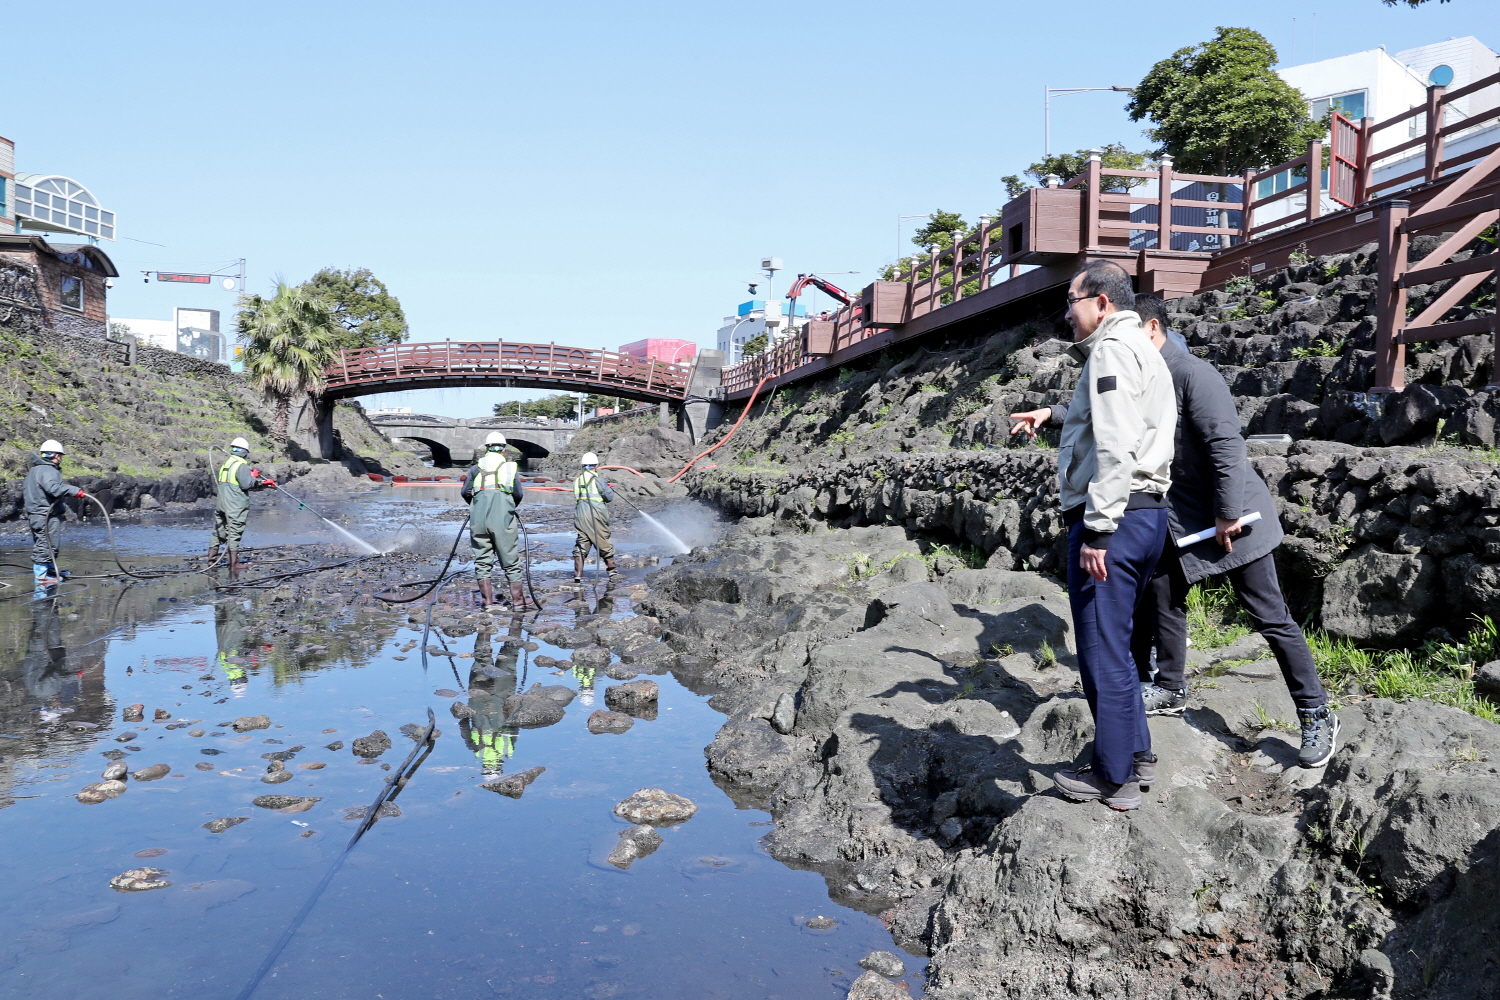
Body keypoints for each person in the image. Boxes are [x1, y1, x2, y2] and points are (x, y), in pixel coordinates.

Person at [1130, 295, 1337, 766]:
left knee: (1270, 616)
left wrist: (1227, 514)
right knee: (1162, 599)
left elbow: (1226, 445)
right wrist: (1053, 415)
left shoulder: (1192, 374)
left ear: (1152, 327)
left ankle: (1316, 712)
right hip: (1179, 516)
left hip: (1234, 518)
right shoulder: (1143, 375)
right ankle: (1169, 687)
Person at [1009, 261, 1176, 811]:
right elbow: (1107, 418)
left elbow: (1114, 443)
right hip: (1149, 514)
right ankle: (1137, 754)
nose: (1067, 312)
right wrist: (1052, 415)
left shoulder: (1109, 350)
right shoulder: (1147, 350)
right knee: (1121, 648)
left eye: (1073, 301)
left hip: (1116, 517)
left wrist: (1099, 531)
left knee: (1104, 652)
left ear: (1101, 302)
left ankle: (1113, 777)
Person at [461, 431, 529, 609]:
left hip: (479, 518)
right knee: (510, 560)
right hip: (502, 517)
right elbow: (518, 494)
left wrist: (476, 506)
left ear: (486, 449)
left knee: (482, 560)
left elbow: (465, 492)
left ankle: (487, 603)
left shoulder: (476, 468)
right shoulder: (509, 467)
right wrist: (507, 506)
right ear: (503, 450)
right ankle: (519, 603)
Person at [210, 437, 276, 579]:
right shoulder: (242, 465)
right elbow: (246, 485)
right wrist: (257, 479)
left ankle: (211, 561)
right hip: (234, 505)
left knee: (218, 531)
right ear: (245, 452)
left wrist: (257, 480)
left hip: (222, 503)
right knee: (234, 532)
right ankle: (234, 564)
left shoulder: (227, 463)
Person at [24, 440, 85, 586]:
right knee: (46, 545)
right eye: (60, 456)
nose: (60, 459)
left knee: (48, 543)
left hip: (38, 513)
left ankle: (50, 570)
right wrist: (75, 491)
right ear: (56, 456)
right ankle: (41, 577)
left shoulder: (35, 470)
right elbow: (54, 488)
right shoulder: (48, 470)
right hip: (46, 515)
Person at [572, 452, 620, 583]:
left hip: (581, 512)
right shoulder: (599, 479)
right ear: (596, 466)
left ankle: (578, 575)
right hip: (596, 511)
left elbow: (577, 498)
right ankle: (612, 571)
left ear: (582, 465)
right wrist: (609, 489)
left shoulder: (577, 481)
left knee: (582, 541)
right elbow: (608, 498)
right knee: (602, 538)